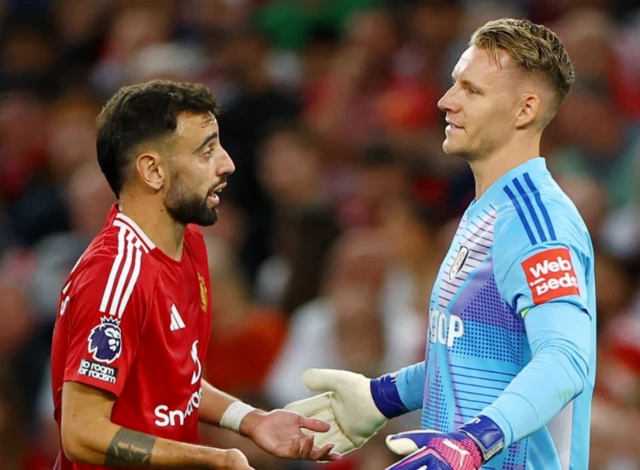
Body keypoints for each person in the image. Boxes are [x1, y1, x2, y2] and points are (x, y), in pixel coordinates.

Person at [285, 18, 596, 470]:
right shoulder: (486, 212)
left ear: (524, 110)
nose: (445, 101)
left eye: (471, 90)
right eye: (454, 84)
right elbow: (483, 357)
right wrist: (383, 396)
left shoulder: (536, 222)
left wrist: (473, 443)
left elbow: (566, 360)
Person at [49, 80, 340, 470]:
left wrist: (250, 420)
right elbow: (81, 432)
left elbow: (171, 383)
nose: (227, 163)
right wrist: (212, 460)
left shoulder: (190, 242)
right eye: (207, 151)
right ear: (153, 171)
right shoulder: (113, 277)